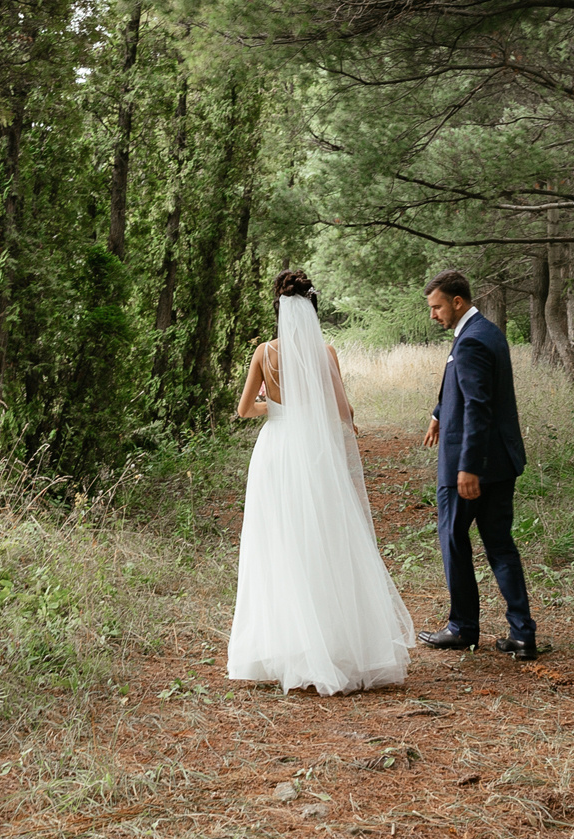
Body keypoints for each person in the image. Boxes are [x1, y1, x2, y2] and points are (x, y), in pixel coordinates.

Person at [226, 269, 416, 695]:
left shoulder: (264, 353)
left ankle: (286, 645)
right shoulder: (326, 353)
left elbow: (243, 410)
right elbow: (343, 413)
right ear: (312, 311)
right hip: (313, 453)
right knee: (324, 539)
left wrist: (274, 409)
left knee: (278, 541)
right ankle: (338, 643)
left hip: (276, 452)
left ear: (279, 311)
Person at [418, 269, 540, 659]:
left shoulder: (470, 342)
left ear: (457, 302)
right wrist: (439, 411)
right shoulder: (486, 332)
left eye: (437, 307)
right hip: (501, 462)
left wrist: (467, 468)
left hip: (469, 467)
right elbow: (467, 386)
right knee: (500, 546)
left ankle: (463, 627)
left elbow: (478, 406)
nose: (433, 315)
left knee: (453, 542)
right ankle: (522, 633)